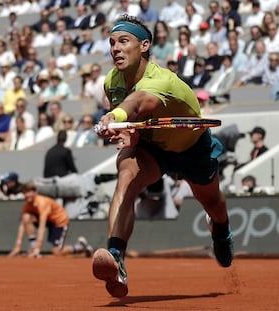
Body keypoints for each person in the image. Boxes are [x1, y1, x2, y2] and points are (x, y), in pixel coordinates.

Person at [92, 15, 233, 298]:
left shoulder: (162, 80)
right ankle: (116, 256)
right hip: (153, 146)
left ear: (144, 45)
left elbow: (137, 104)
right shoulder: (112, 81)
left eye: (124, 41)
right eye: (111, 43)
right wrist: (122, 134)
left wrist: (114, 116)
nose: (115, 49)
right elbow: (132, 128)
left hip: (191, 147)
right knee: (126, 172)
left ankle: (221, 231)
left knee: (213, 203)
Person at [8, 181, 93, 258]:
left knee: (56, 252)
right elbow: (23, 224)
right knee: (26, 217)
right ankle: (33, 246)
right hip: (49, 220)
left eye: (28, 192)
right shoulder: (27, 204)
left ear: (35, 192)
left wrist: (38, 248)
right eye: (24, 193)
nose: (26, 195)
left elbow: (42, 226)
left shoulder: (42, 203)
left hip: (59, 221)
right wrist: (17, 247)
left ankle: (80, 247)